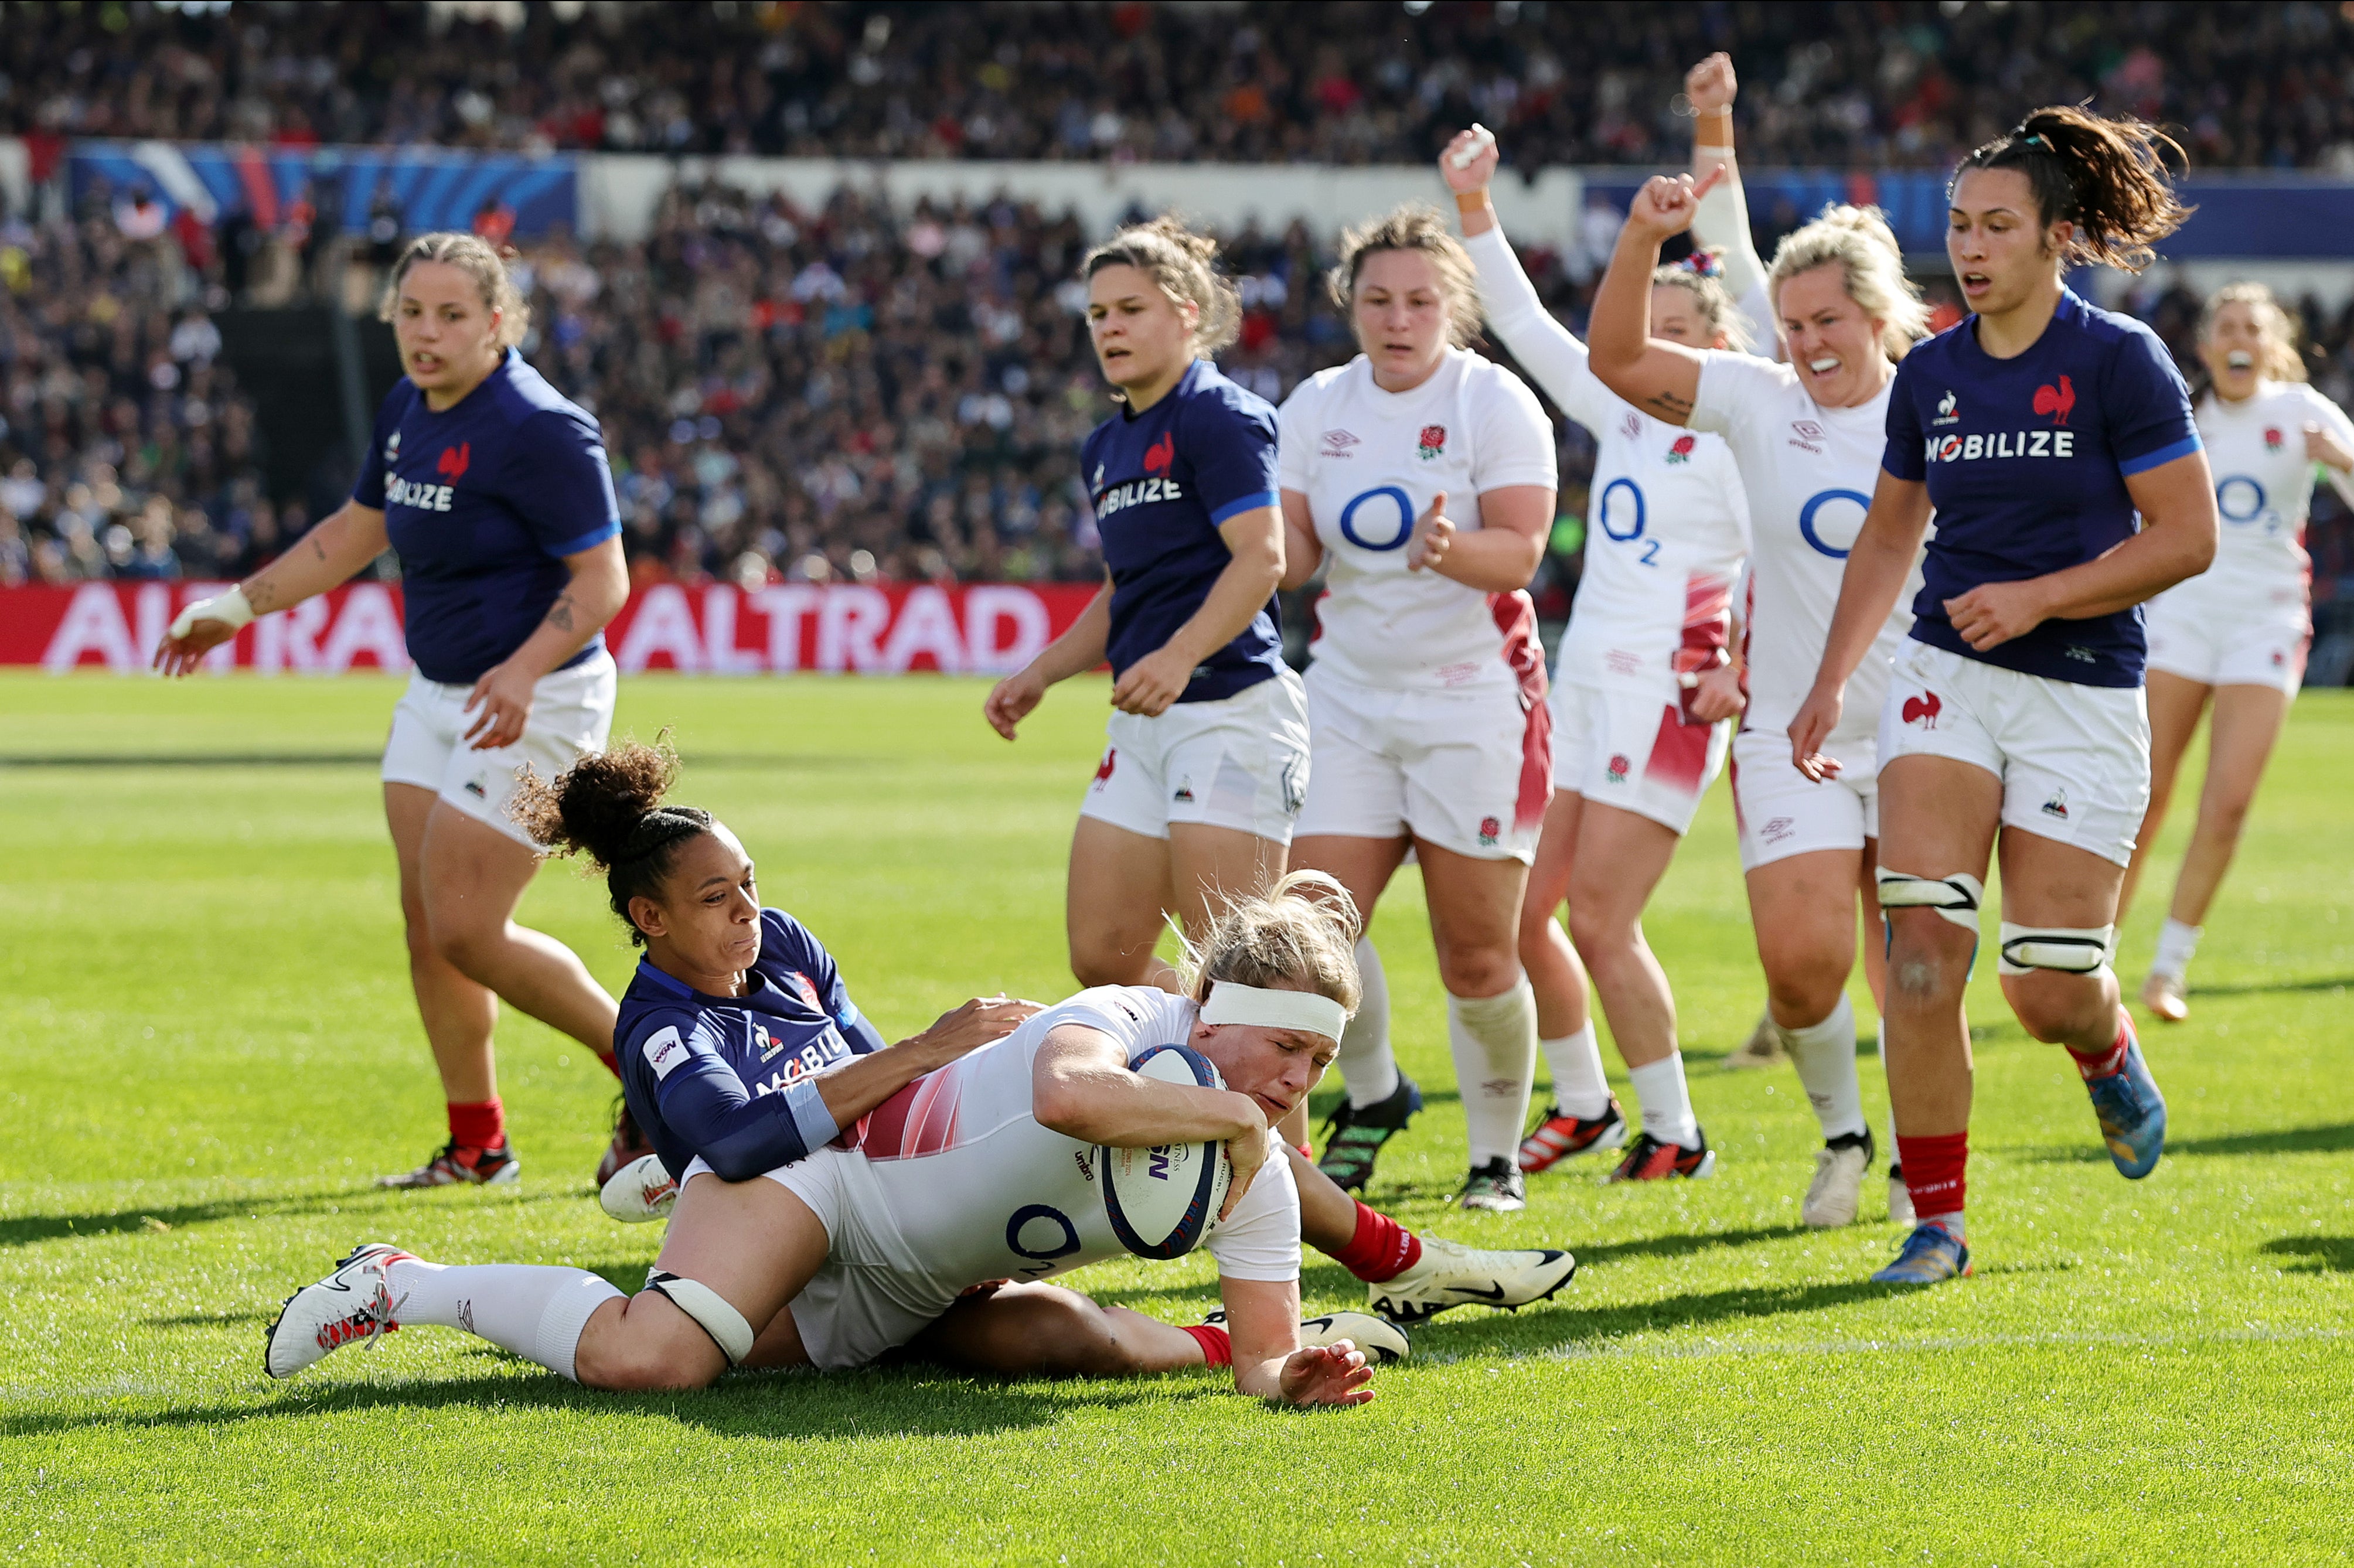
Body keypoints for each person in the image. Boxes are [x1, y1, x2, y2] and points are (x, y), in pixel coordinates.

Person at [265, 875, 1401, 1405]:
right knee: (653, 1361)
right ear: (1210, 1018)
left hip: (911, 1287)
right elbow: (1068, 1100)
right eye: (1286, 1055)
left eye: (1315, 1066)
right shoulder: (1120, 1022)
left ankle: (678, 1195)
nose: (1298, 1086)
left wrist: (1283, 1376)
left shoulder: (1248, 1171)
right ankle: (409, 1286)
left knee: (1053, 1340)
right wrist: (1240, 1116)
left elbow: (1258, 1355)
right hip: (832, 1178)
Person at [560, 741, 1578, 1332]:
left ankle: (1355, 1287)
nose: (749, 909)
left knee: (1040, 1333)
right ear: (650, 919)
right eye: (717, 896)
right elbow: (749, 1141)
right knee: (671, 1353)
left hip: (870, 1170)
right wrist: (925, 1051)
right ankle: (432, 1284)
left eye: (751, 883)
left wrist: (924, 1063)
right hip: (825, 1205)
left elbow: (863, 1066)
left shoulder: (778, 941)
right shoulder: (658, 1021)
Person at [1790, 108, 2217, 1284]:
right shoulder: (1926, 372)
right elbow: (1886, 537)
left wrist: (2041, 597)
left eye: (1995, 227)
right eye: (1957, 227)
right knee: (1919, 948)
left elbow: (2186, 537)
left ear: (2055, 238)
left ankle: (2106, 1049)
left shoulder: (2116, 358)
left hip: (2082, 694)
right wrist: (1829, 682)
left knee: (2042, 990)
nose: (1969, 250)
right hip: (1945, 679)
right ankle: (1938, 1224)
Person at [156, 231, 642, 1191]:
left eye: (451, 315)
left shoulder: (542, 427)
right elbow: (352, 534)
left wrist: (522, 667)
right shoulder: (408, 405)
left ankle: (659, 1082)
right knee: (429, 925)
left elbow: (604, 578)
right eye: (410, 313)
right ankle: (478, 1146)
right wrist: (234, 607)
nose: (426, 333)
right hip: (439, 694)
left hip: (538, 697)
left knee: (468, 927)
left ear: (498, 321)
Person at [1583, 59, 1929, 1228]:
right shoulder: (1751, 395)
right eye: (1788, 326)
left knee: (1919, 970)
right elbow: (1617, 362)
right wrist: (1643, 233)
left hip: (1934, 723)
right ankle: (1842, 1139)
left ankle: (1922, 1171)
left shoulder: (1939, 401)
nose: (1805, 344)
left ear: (1878, 319)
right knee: (1798, 966)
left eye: (1828, 322)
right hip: (1791, 727)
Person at [1435, 127, 1755, 1187]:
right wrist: (1474, 210)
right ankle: (1584, 1105)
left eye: (1679, 332)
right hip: (1584, 688)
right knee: (1527, 915)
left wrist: (1738, 665)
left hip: (1669, 697)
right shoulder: (1619, 408)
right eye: (1646, 328)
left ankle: (1678, 1130)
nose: (1656, 349)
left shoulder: (1743, 431)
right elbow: (1521, 323)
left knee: (1602, 918)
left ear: (1720, 343)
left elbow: (1782, 562)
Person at [1275, 204, 1559, 1210]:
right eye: (1378, 299)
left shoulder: (1494, 403)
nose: (1397, 319)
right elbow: (1299, 557)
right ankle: (1378, 1089)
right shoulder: (1315, 404)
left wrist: (1452, 550)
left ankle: (1494, 1158)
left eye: (1420, 300)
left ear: (1454, 308)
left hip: (1472, 700)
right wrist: (1260, 539)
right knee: (1309, 929)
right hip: (1347, 693)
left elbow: (1522, 550)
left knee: (1477, 953)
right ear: (1350, 304)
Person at [983, 218, 1306, 993]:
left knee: (1240, 971)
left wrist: (1179, 653)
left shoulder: (1219, 416)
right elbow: (1120, 589)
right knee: (1103, 954)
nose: (1110, 328)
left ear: (1187, 312)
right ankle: (1222, 1061)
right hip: (1143, 722)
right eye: (1097, 315)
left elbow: (1264, 558)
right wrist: (1042, 673)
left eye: (1130, 309)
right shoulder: (1107, 445)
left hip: (1231, 713)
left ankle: (1257, 1095)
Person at [2122, 282, 2354, 1020]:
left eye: (2253, 325)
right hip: (2183, 616)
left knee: (2226, 806)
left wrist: (2343, 461)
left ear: (2274, 343)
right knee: (2144, 794)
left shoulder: (2305, 412)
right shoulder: (2181, 417)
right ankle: (2088, 953)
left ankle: (2167, 970)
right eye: (2226, 325)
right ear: (2207, 345)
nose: (2238, 337)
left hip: (2268, 622)